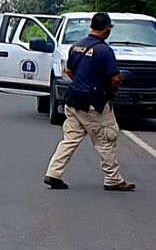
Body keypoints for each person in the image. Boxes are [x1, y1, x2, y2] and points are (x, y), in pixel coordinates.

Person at [43, 12, 135, 192]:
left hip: (74, 101)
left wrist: (83, 82)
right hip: (95, 105)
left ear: (91, 26)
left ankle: (53, 173)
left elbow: (69, 71)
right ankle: (113, 179)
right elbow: (115, 78)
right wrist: (112, 90)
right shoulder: (104, 51)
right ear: (107, 28)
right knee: (106, 138)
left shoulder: (76, 47)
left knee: (70, 139)